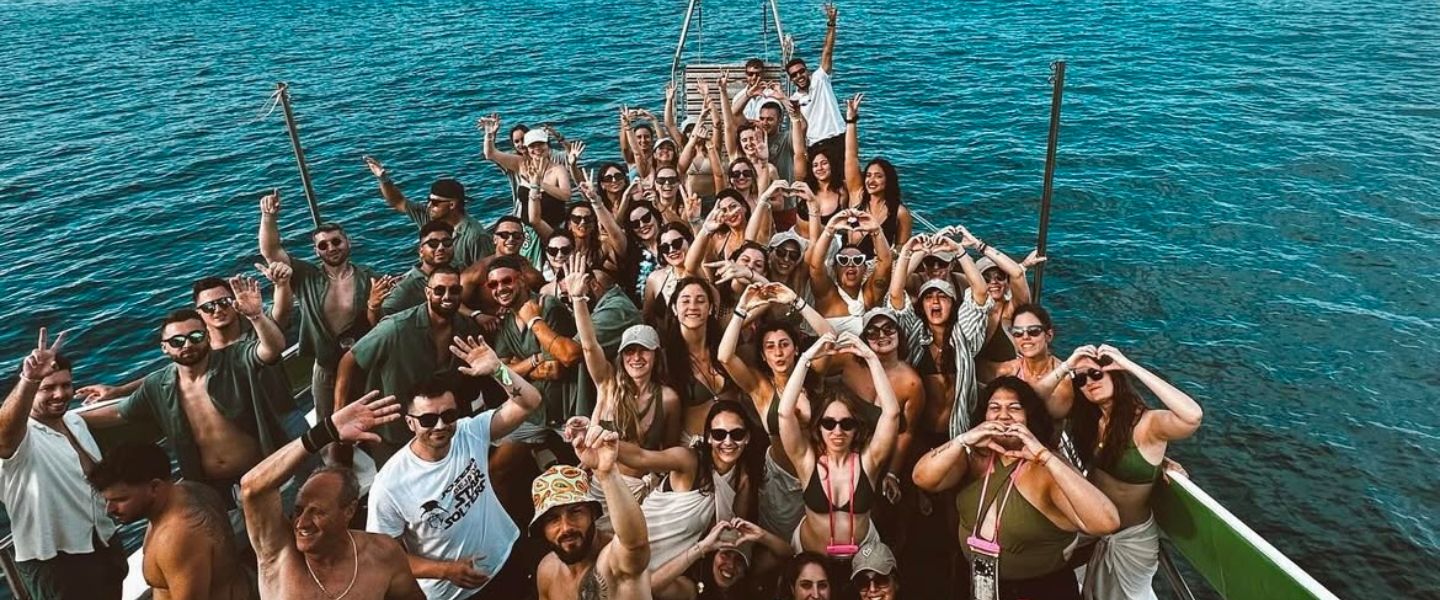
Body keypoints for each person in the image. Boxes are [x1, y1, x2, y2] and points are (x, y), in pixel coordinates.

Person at [367, 336, 545, 600]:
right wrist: (444, 570)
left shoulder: (468, 431)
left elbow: (529, 402)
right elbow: (384, 556)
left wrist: (499, 370)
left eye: (448, 416)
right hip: (454, 593)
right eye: (428, 419)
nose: (440, 426)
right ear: (410, 423)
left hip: (506, 559)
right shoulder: (389, 485)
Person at [911, 377, 1120, 600]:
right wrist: (963, 440)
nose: (1003, 415)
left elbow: (1107, 522)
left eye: (1014, 408)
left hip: (1038, 591)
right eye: (994, 408)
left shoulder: (1047, 469)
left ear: (1029, 416)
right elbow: (922, 478)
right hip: (976, 583)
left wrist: (1045, 457)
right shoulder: (972, 458)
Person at [80, 304, 290, 502]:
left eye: (195, 336)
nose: (187, 345)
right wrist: (68, 418)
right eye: (177, 341)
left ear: (207, 337)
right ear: (164, 347)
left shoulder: (235, 359)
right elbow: (119, 412)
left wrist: (256, 316)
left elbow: (272, 349)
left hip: (264, 472)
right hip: (211, 489)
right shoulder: (158, 385)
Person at [239, 390, 424, 600]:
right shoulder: (279, 555)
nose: (302, 523)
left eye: (317, 512)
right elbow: (252, 489)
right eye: (298, 511)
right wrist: (325, 431)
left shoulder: (382, 554)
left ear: (349, 511)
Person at [1056, 345, 1203, 600]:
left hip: (1130, 539)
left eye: (1096, 374)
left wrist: (1129, 366)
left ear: (1115, 375)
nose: (1089, 382)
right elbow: (1037, 404)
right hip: (1094, 526)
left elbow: (1192, 416)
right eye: (1081, 380)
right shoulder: (1091, 420)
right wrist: (1067, 366)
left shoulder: (1147, 424)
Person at [0, 329, 127, 600]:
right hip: (55, 561)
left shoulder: (75, 422)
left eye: (66, 385)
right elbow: (4, 437)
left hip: (102, 541)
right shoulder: (21, 439)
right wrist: (29, 379)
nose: (60, 394)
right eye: (47, 388)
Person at [606, 400, 767, 587]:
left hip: (668, 567)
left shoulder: (742, 479)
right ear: (709, 437)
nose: (728, 442)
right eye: (719, 434)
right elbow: (641, 457)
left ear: (747, 438)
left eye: (737, 434)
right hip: (635, 544)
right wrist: (604, 442)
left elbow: (731, 534)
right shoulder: (688, 460)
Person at [717, 283, 834, 537]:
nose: (778, 353)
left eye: (784, 344)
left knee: (821, 540)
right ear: (763, 355)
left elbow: (830, 337)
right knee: (781, 543)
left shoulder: (814, 377)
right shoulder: (761, 388)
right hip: (781, 482)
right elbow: (725, 356)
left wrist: (796, 300)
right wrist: (741, 308)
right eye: (770, 347)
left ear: (796, 348)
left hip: (822, 475)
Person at [256, 190, 385, 419]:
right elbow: (271, 251)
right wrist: (268, 217)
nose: (331, 248)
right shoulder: (306, 276)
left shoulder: (369, 278)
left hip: (363, 363)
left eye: (336, 241)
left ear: (348, 242)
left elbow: (381, 322)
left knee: (372, 417)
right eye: (323, 245)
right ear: (316, 251)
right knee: (328, 426)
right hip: (325, 368)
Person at [335, 266, 483, 463]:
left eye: (454, 290)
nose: (447, 296)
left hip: (440, 429)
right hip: (395, 432)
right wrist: (339, 414)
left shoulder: (467, 328)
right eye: (439, 290)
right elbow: (349, 360)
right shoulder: (395, 328)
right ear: (427, 293)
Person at [779, 333, 900, 557]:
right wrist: (805, 358)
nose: (837, 431)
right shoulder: (807, 461)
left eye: (846, 423)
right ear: (819, 427)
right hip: (811, 558)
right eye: (828, 423)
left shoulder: (868, 461)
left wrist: (871, 357)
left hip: (861, 556)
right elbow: (784, 414)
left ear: (856, 428)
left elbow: (891, 413)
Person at [88, 442, 255, 600]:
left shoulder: (177, 537)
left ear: (155, 487)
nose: (109, 509)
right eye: (107, 500)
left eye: (120, 499)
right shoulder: (191, 490)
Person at [886, 240, 993, 439]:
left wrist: (959, 251)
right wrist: (907, 252)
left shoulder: (964, 336)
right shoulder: (914, 335)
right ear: (922, 305)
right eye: (928, 297)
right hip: (916, 433)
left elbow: (980, 293)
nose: (935, 301)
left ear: (953, 304)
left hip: (957, 432)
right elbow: (895, 295)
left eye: (942, 297)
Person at [532, 428, 653, 599]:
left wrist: (607, 474)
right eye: (553, 519)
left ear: (593, 514)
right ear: (542, 529)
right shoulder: (547, 570)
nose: (566, 527)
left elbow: (635, 544)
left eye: (575, 512)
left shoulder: (615, 562)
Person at [364, 157, 489, 268]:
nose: (429, 206)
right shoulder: (428, 217)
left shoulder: (475, 236)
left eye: (435, 203)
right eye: (428, 200)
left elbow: (484, 271)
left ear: (452, 205)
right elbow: (398, 201)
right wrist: (383, 179)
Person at [658, 278, 741, 438]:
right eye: (685, 301)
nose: (693, 306)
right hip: (692, 444)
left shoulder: (725, 348)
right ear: (674, 308)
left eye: (700, 300)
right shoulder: (665, 359)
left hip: (734, 441)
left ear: (710, 308)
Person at [650, 518, 795, 600]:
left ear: (746, 569)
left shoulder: (749, 587)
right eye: (725, 555)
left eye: (739, 560)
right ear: (713, 557)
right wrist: (702, 547)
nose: (730, 565)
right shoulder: (693, 587)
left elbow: (788, 556)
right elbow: (653, 586)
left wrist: (762, 535)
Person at [842, 95, 912, 255]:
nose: (871, 180)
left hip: (877, 265)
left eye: (878, 176)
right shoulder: (857, 197)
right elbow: (851, 156)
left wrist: (891, 254)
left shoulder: (900, 213)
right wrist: (851, 121)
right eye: (868, 175)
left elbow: (902, 249)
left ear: (888, 180)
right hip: (847, 262)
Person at [807, 210, 894, 336]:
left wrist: (876, 231)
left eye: (858, 260)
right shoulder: (827, 295)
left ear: (865, 269)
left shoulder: (870, 296)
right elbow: (815, 266)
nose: (851, 264)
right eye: (843, 260)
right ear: (835, 268)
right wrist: (829, 230)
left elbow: (885, 263)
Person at [481, 116, 573, 231]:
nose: (537, 149)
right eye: (532, 146)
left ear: (547, 145)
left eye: (540, 144)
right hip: (527, 229)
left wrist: (540, 183)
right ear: (527, 148)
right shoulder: (521, 163)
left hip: (554, 227)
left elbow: (566, 195)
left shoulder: (558, 167)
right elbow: (490, 154)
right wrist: (489, 135)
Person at [787, 3, 846, 155]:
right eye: (794, 75)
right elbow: (800, 127)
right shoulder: (794, 99)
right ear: (791, 79)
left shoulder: (820, 78)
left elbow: (827, 51)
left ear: (807, 71)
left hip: (839, 138)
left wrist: (831, 23)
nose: (799, 76)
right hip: (815, 146)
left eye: (801, 71)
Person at [381, 221, 457, 316]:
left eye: (447, 242)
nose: (441, 247)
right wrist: (373, 308)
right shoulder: (405, 287)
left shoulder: (460, 269)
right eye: (433, 244)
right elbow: (382, 318)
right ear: (421, 251)